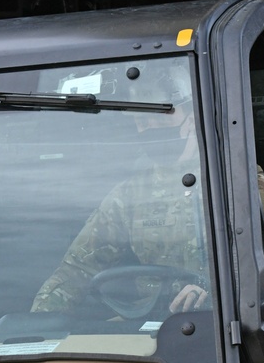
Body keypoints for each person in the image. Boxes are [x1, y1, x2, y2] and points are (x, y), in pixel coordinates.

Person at [31, 78, 211, 315]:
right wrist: (38, 323)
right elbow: (77, 269)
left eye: (161, 116)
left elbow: (262, 268)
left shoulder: (231, 180)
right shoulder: (129, 195)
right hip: (151, 323)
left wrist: (211, 290)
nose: (151, 128)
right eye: (141, 120)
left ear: (192, 117)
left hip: (222, 323)